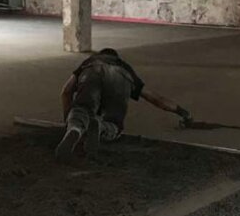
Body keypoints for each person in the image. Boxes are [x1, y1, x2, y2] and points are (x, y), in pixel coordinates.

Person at [56, 47, 192, 160]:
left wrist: (68, 121)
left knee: (81, 110)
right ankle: (102, 127)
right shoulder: (125, 68)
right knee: (113, 123)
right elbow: (156, 98)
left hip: (93, 71)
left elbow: (66, 91)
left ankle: (75, 129)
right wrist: (182, 112)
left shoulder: (90, 61)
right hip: (121, 79)